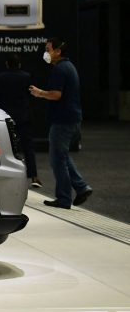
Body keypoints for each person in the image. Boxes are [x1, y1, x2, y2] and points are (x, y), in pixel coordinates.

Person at [29, 37, 92, 209]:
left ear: (58, 51)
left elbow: (56, 95)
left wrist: (39, 93)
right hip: (72, 118)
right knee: (62, 155)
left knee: (57, 159)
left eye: (48, 49)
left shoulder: (60, 69)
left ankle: (64, 198)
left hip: (63, 120)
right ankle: (81, 187)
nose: (46, 53)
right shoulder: (69, 66)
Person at [0, 54, 40, 188]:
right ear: (19, 65)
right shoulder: (27, 77)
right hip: (23, 116)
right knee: (28, 147)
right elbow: (31, 95)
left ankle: (6, 176)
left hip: (5, 118)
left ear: (7, 64)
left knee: (5, 148)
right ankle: (34, 177)